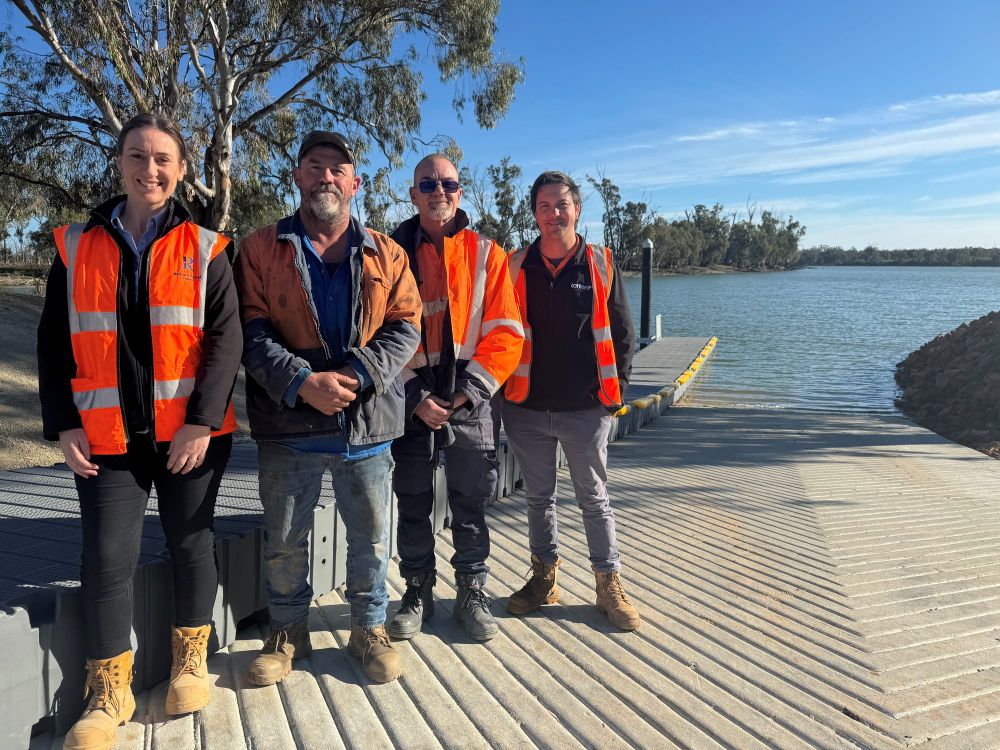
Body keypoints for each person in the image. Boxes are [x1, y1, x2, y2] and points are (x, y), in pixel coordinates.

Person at [37, 113, 242, 750]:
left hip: (190, 438)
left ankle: (190, 660)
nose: (148, 169)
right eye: (136, 156)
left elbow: (225, 341)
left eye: (162, 159)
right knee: (105, 557)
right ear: (120, 164)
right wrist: (64, 421)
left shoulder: (207, 247)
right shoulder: (74, 245)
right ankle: (108, 691)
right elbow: (51, 342)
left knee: (189, 544)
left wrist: (202, 423)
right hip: (107, 437)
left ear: (181, 170)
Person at [235, 131, 421, 685]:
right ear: (297, 177)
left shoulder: (389, 253)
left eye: (339, 169)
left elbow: (406, 326)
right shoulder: (260, 248)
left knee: (370, 540)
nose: (327, 177)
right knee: (285, 541)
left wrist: (356, 375)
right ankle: (287, 633)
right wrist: (301, 381)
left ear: (355, 183)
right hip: (290, 426)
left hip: (367, 429)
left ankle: (369, 630)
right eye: (315, 166)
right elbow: (250, 330)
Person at [386, 155, 523, 641]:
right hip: (409, 396)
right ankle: (417, 591)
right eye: (428, 183)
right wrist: (414, 393)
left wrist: (467, 394)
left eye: (448, 183)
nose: (438, 191)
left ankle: (471, 592)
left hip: (472, 397)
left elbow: (507, 333)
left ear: (460, 192)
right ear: (413, 193)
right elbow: (375, 332)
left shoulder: (489, 254)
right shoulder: (388, 251)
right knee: (413, 499)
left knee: (470, 501)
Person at [501, 170, 641, 631]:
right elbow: (498, 331)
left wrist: (616, 393)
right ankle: (545, 578)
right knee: (538, 498)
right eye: (544, 205)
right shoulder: (516, 263)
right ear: (535, 213)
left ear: (577, 209)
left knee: (594, 498)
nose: (553, 213)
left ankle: (608, 584)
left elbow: (621, 331)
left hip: (586, 408)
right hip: (526, 406)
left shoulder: (600, 262)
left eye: (561, 204)